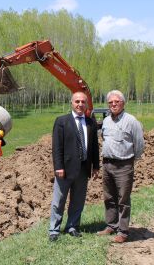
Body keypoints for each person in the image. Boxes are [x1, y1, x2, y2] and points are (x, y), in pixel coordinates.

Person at [48, 91, 100, 242]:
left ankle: (72, 226)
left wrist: (95, 166)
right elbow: (57, 147)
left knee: (78, 201)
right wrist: (58, 167)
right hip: (64, 169)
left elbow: (94, 147)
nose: (80, 104)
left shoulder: (90, 123)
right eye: (77, 101)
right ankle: (54, 230)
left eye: (83, 102)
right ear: (72, 103)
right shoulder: (61, 121)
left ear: (87, 105)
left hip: (83, 170)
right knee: (59, 201)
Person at [97, 90, 144, 243]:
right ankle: (111, 225)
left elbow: (139, 144)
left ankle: (123, 232)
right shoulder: (106, 121)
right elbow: (104, 138)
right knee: (109, 197)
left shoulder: (131, 121)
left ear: (123, 103)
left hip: (124, 165)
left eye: (116, 101)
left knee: (123, 199)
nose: (113, 104)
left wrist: (131, 161)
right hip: (107, 164)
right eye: (110, 102)